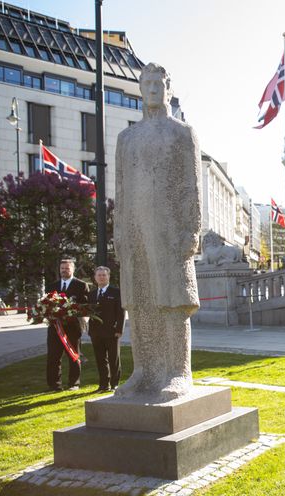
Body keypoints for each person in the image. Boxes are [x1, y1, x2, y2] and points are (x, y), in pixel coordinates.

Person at [113, 62, 201, 403]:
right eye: (146, 82)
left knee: (172, 301)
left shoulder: (181, 132)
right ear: (139, 88)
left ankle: (178, 371)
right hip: (134, 229)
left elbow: (191, 186)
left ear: (168, 88)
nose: (152, 88)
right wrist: (119, 231)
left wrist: (191, 230)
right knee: (140, 301)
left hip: (168, 230)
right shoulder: (127, 138)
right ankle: (144, 371)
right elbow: (120, 190)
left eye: (158, 83)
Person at [45, 257, 90, 391]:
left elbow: (85, 306)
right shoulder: (51, 286)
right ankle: (54, 384)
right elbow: (46, 305)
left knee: (73, 355)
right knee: (53, 356)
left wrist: (75, 313)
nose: (64, 271)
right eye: (62, 268)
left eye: (67, 268)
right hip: (55, 327)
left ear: (73, 269)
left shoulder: (81, 285)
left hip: (73, 327)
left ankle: (74, 383)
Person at [89, 266, 125, 392]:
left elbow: (121, 313)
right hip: (96, 333)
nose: (101, 277)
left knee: (113, 358)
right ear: (95, 278)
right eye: (99, 275)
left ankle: (114, 383)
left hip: (112, 332)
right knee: (100, 359)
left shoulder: (116, 292)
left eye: (104, 275)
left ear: (108, 276)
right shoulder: (91, 294)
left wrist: (119, 329)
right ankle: (103, 384)